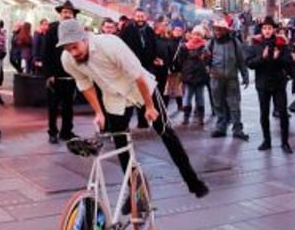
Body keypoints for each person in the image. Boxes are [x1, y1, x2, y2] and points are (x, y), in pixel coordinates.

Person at [56, 18, 208, 198]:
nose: (73, 53)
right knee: (120, 143)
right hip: (113, 98)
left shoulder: (110, 45)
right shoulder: (68, 59)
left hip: (140, 89)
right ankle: (136, 193)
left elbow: (138, 76)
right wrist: (98, 112)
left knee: (166, 132)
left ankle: (192, 181)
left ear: (85, 38)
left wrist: (150, 107)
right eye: (68, 49)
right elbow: (84, 84)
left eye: (75, 47)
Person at [246, 16, 294, 152]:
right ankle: (266, 141)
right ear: (262, 29)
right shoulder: (255, 43)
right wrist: (263, 57)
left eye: (269, 28)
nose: (267, 31)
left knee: (283, 113)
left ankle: (285, 142)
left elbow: (289, 62)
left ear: (274, 30)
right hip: (263, 84)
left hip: (279, 83)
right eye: (265, 28)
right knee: (264, 114)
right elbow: (250, 64)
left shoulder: (281, 43)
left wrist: (278, 58)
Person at [43, 1, 80, 143]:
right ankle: (52, 131)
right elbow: (46, 52)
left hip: (71, 74)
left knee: (68, 106)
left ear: (73, 15)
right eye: (64, 12)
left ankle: (66, 131)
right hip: (55, 75)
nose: (66, 15)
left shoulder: (76, 30)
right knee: (53, 106)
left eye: (69, 12)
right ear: (60, 14)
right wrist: (49, 74)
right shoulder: (52, 29)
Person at [120, 7, 162, 129]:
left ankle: (143, 121)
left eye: (142, 16)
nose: (140, 19)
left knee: (147, 93)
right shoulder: (127, 30)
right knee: (132, 94)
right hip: (132, 66)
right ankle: (125, 124)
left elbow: (153, 45)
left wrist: (155, 57)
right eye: (138, 16)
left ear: (145, 17)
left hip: (147, 66)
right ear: (134, 17)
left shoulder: (149, 30)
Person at [208, 18, 249, 139]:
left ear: (226, 30)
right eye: (215, 30)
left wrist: (245, 76)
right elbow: (205, 58)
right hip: (216, 78)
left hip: (231, 78)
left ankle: (237, 128)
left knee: (234, 103)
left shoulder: (235, 42)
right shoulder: (211, 43)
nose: (217, 32)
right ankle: (221, 127)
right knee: (218, 103)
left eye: (219, 29)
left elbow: (241, 60)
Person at [172, 27, 210, 126]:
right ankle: (186, 118)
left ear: (202, 36)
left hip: (200, 76)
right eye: (195, 34)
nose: (197, 37)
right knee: (187, 97)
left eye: (199, 35)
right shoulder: (184, 47)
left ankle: (200, 118)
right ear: (192, 35)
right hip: (188, 75)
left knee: (200, 97)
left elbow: (208, 60)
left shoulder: (205, 47)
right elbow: (180, 61)